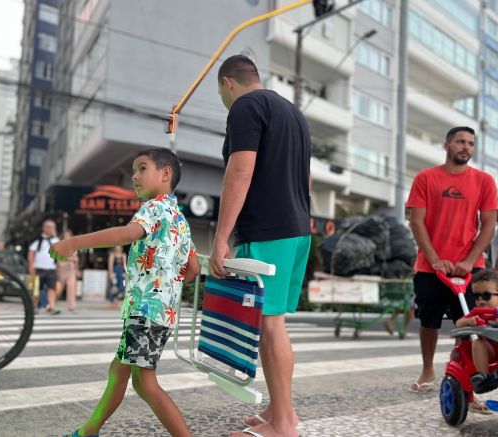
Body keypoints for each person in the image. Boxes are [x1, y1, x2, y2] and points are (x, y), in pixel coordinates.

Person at [50, 148, 200, 437]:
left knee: (146, 384)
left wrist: (73, 243)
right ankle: (89, 430)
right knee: (118, 371)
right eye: (134, 171)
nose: (134, 176)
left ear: (165, 174)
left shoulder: (154, 208)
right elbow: (192, 267)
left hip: (145, 311)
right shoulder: (180, 220)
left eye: (142, 168)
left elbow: (126, 234)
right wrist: (167, 283)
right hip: (159, 312)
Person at [209, 55, 311, 437]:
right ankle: (278, 408)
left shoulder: (245, 107)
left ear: (227, 82)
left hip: (268, 229)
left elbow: (241, 170)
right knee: (275, 323)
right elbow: (306, 176)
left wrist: (222, 237)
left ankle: (284, 423)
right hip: (296, 227)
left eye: (220, 91)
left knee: (269, 325)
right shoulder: (292, 113)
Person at [406, 126, 498, 394]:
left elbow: (489, 224)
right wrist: (434, 259)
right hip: (430, 268)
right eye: (460, 142)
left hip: (470, 269)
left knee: (472, 326)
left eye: (470, 143)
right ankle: (427, 370)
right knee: (429, 321)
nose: (466, 147)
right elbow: (416, 221)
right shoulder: (425, 178)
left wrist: (470, 260)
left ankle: (469, 380)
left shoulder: (484, 181)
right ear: (446, 145)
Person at [455, 269, 498, 413]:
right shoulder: (478, 312)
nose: (480, 300)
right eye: (476, 296)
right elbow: (458, 323)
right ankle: (483, 376)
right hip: (490, 351)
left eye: (486, 295)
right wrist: (469, 320)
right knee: (478, 342)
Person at [28, 219, 60, 314]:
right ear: (44, 228)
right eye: (48, 227)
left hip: (51, 268)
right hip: (38, 267)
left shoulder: (56, 240)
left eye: (52, 227)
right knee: (36, 289)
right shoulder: (38, 240)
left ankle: (52, 307)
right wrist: (31, 265)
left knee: (52, 288)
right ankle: (34, 307)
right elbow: (31, 252)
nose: (50, 229)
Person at [56, 230, 80, 312]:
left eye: (69, 236)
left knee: (71, 286)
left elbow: (76, 259)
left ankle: (71, 305)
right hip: (62, 268)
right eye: (66, 236)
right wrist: (70, 258)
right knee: (60, 287)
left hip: (71, 268)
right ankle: (53, 301)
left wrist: (77, 270)